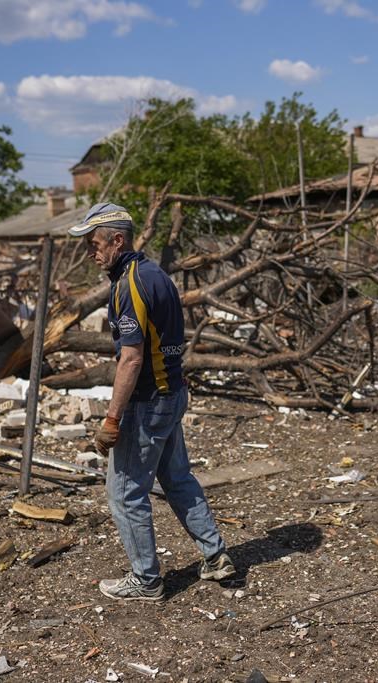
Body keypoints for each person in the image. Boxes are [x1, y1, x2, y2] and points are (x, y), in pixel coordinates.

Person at [68, 202, 235, 601]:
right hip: (172, 392)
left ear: (117, 240)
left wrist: (111, 419)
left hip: (148, 401)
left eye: (94, 244)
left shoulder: (130, 283)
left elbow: (132, 357)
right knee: (177, 478)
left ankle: (146, 580)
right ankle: (215, 556)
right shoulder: (155, 273)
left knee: (125, 493)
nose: (91, 252)